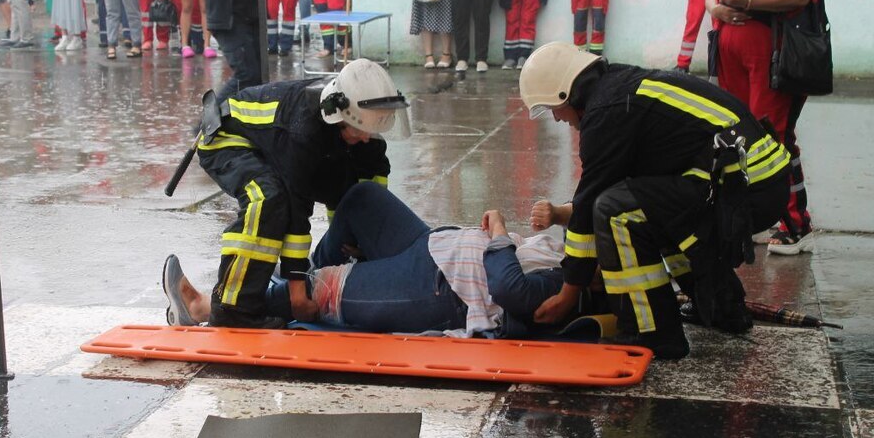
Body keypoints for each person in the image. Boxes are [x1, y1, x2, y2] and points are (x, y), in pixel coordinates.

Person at [518, 42, 791, 359]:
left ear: (567, 94)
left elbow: (590, 205)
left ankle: (653, 333)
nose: (556, 119)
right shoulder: (618, 88)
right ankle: (721, 307)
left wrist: (569, 292)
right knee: (648, 205)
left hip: (744, 190)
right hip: (757, 181)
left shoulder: (606, 113)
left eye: (553, 108)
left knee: (615, 211)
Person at [165, 182, 583, 339]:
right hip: (436, 248)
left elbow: (512, 290)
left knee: (322, 290)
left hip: (437, 291)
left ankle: (205, 310)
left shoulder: (569, 286)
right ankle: (292, 288)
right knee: (362, 198)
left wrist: (499, 235)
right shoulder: (572, 256)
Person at [192, 57, 409, 328]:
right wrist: (297, 293)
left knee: (343, 178)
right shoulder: (304, 128)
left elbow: (370, 185)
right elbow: (298, 205)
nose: (367, 137)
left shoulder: (361, 126)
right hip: (229, 140)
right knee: (269, 199)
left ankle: (322, 270)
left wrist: (365, 236)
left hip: (274, 144)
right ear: (340, 115)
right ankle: (234, 309)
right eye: (362, 129)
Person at [706, 0, 825, 256]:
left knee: (772, 139)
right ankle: (754, 217)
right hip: (732, 53)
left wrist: (748, 3)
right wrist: (717, 9)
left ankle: (795, 223)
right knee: (740, 138)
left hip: (776, 57)